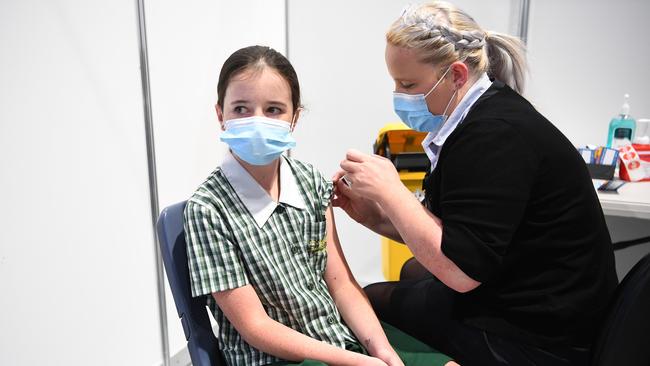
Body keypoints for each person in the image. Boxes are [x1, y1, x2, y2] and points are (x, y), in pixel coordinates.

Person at [333, 2, 618, 366]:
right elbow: (450, 233)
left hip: (544, 337)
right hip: (532, 291)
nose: (399, 96)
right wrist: (371, 215)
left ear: (455, 75)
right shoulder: (483, 112)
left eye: (407, 84)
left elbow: (461, 272)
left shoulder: (494, 136)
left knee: (372, 299)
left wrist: (391, 191)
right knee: (409, 271)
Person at [184, 45, 457, 366]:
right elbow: (255, 327)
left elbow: (340, 284)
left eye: (273, 110)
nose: (257, 120)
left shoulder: (310, 181)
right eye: (241, 109)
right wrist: (357, 362)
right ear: (221, 115)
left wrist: (383, 352)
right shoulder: (207, 209)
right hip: (272, 358)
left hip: (336, 337)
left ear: (294, 118)